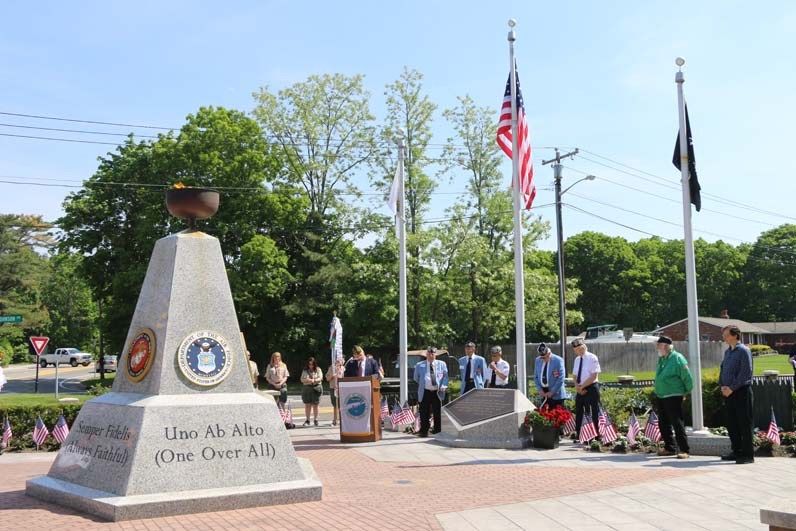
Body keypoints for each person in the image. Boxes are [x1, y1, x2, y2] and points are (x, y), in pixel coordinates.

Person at [653, 335, 693, 459]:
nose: (657, 348)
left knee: (677, 423)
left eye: (659, 346)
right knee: (663, 423)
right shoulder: (662, 359)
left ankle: (684, 450)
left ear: (666, 346)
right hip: (661, 395)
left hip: (674, 395)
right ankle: (670, 448)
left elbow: (687, 377)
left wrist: (685, 392)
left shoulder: (677, 358)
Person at [720, 325, 754, 464]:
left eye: (726, 335)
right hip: (728, 393)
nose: (724, 337)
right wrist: (722, 386)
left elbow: (746, 373)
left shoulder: (744, 351)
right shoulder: (728, 352)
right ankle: (737, 451)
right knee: (732, 423)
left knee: (744, 424)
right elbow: (723, 370)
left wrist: (732, 388)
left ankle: (747, 455)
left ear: (735, 335)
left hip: (741, 392)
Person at [413, 346, 448, 437]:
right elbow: (416, 378)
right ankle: (424, 431)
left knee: (437, 411)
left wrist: (444, 385)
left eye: (432, 354)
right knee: (424, 412)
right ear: (426, 355)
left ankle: (438, 430)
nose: (430, 356)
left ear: (435, 354)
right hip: (425, 391)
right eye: (429, 354)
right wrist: (423, 384)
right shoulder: (419, 365)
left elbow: (445, 376)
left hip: (437, 392)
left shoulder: (442, 364)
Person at [571, 338, 601, 441]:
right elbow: (574, 375)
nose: (577, 352)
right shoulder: (577, 359)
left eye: (579, 349)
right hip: (580, 388)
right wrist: (577, 387)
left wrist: (582, 386)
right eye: (576, 350)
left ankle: (595, 435)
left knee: (593, 412)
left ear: (584, 347)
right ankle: (580, 434)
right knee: (579, 411)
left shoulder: (592, 358)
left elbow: (593, 376)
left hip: (591, 387)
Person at [533, 343, 567, 409]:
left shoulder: (558, 360)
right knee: (544, 417)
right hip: (543, 393)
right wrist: (540, 390)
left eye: (545, 357)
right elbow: (536, 377)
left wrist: (552, 392)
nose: (543, 359)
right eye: (541, 358)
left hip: (556, 395)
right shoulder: (538, 360)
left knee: (558, 417)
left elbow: (561, 378)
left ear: (549, 353)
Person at [300, 357, 323, 427]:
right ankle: (307, 420)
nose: (311, 366)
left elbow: (320, 378)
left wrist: (314, 380)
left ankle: (316, 420)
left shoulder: (318, 369)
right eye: (309, 364)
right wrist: (308, 380)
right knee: (307, 405)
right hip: (307, 388)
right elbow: (301, 379)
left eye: (312, 364)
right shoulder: (305, 370)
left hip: (316, 388)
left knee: (315, 405)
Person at [326, 357, 345, 426]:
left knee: (342, 405)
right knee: (335, 405)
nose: (340, 361)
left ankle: (342, 420)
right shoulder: (332, 368)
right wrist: (332, 376)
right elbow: (327, 378)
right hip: (333, 388)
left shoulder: (344, 368)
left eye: (342, 360)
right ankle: (335, 420)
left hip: (342, 388)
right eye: (339, 360)